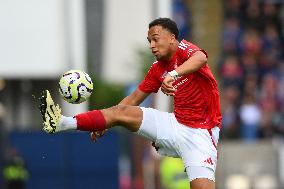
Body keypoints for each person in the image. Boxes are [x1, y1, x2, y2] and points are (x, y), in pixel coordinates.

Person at [39, 17, 222, 189]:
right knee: (121, 111)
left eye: (156, 39)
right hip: (174, 124)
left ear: (172, 38)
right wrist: (109, 122)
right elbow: (133, 100)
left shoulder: (185, 50)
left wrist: (173, 75)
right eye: (149, 41)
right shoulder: (157, 69)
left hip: (201, 134)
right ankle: (61, 123)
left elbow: (201, 58)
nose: (152, 45)